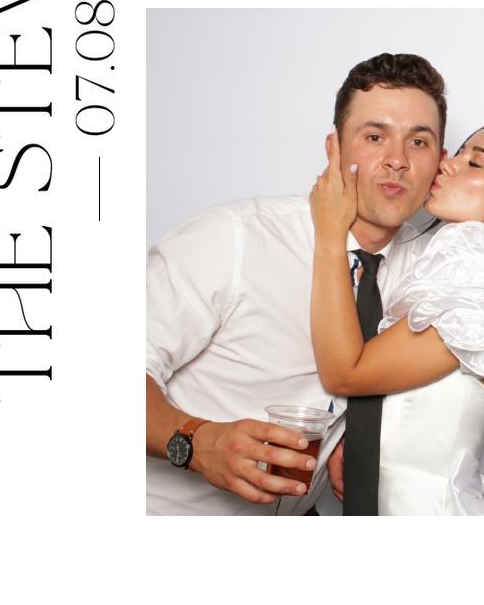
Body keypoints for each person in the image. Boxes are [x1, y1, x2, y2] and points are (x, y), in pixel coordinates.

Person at [145, 53, 447, 513]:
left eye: (419, 142)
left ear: (440, 164)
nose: (397, 161)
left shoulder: (432, 270)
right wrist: (196, 442)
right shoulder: (235, 236)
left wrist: (358, 434)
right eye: (374, 137)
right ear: (334, 148)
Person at [305, 121, 484, 513]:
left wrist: (328, 233)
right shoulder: (449, 267)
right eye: (459, 152)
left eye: (475, 163)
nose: (447, 164)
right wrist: (362, 440)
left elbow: (345, 373)